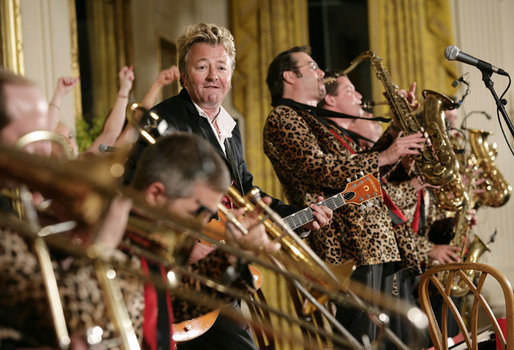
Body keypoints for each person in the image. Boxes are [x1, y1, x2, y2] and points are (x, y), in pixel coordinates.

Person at [262, 46, 428, 347]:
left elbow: (361, 175)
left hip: (371, 242)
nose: (321, 72)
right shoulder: (283, 117)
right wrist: (386, 155)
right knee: (357, 339)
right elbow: (319, 168)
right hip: (344, 244)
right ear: (289, 75)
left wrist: (395, 133)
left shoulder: (315, 120)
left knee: (380, 341)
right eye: (312, 66)